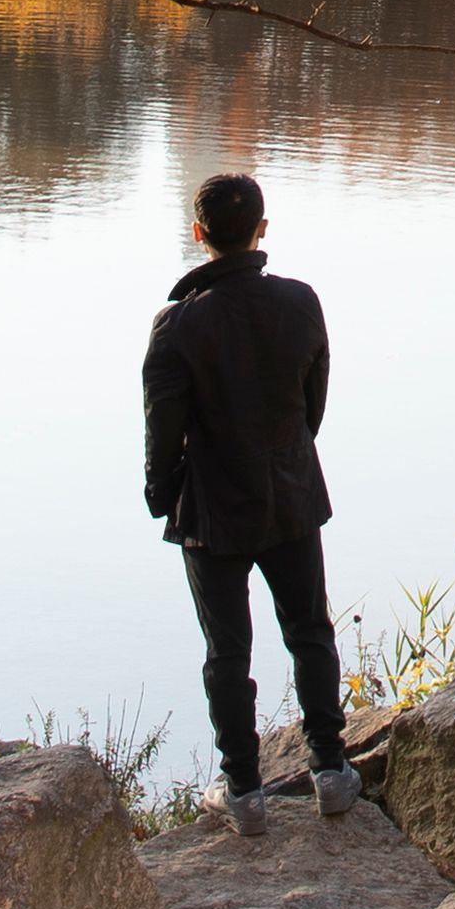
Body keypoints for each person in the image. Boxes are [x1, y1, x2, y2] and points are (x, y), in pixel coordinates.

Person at [142, 169, 355, 819]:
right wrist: (289, 454)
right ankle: (332, 770)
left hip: (212, 508)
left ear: (199, 233)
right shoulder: (300, 303)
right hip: (290, 494)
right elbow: (312, 406)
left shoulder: (177, 326)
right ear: (262, 229)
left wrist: (162, 495)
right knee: (311, 632)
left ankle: (241, 789)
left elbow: (162, 432)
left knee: (227, 652)